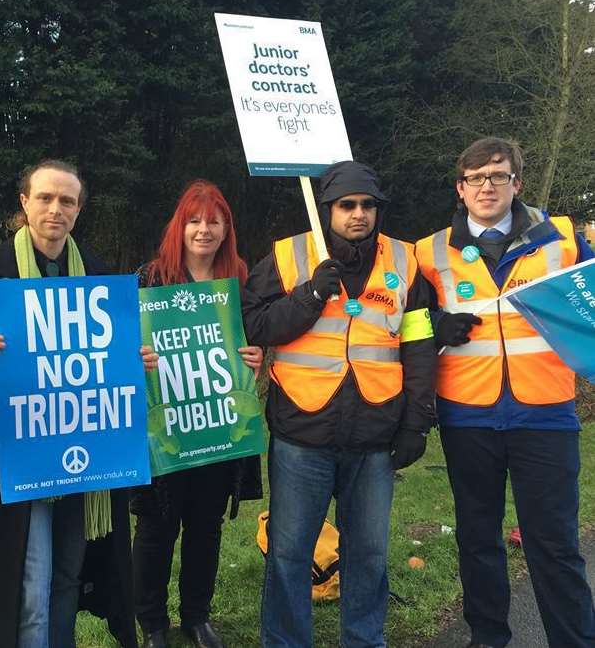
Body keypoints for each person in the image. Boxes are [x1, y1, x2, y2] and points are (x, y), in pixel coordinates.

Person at [0, 159, 156, 648]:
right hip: (20, 455)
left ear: (79, 210)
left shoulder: (101, 276)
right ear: (24, 203)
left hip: (87, 457)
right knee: (29, 580)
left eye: (67, 200)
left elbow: (110, 358)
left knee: (68, 575)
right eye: (45, 197)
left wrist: (134, 362)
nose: (55, 208)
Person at [242, 161, 437, 647]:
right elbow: (255, 326)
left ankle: (365, 640)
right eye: (347, 205)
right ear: (327, 209)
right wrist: (310, 296)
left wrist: (417, 423)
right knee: (289, 554)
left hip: (376, 434)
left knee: (368, 554)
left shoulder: (404, 261)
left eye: (367, 206)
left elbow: (418, 344)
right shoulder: (289, 257)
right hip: (301, 433)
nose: (358, 215)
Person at [415, 137, 595, 648]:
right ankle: (487, 639)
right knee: (477, 540)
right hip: (467, 414)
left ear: (517, 183)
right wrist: (432, 321)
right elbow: (399, 322)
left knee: (555, 544)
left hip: (546, 412)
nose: (486, 186)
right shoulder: (428, 252)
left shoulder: (560, 236)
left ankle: (575, 640)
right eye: (476, 178)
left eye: (498, 175)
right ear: (460, 189)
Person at [131, 180, 264, 648]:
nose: (203, 230)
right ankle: (150, 622)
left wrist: (256, 355)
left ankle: (196, 615)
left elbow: (255, 335)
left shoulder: (240, 280)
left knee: (205, 527)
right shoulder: (149, 279)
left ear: (227, 227)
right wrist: (134, 354)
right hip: (165, 426)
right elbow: (117, 344)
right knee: (156, 526)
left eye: (213, 221)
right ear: (178, 226)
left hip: (219, 425)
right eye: (194, 220)